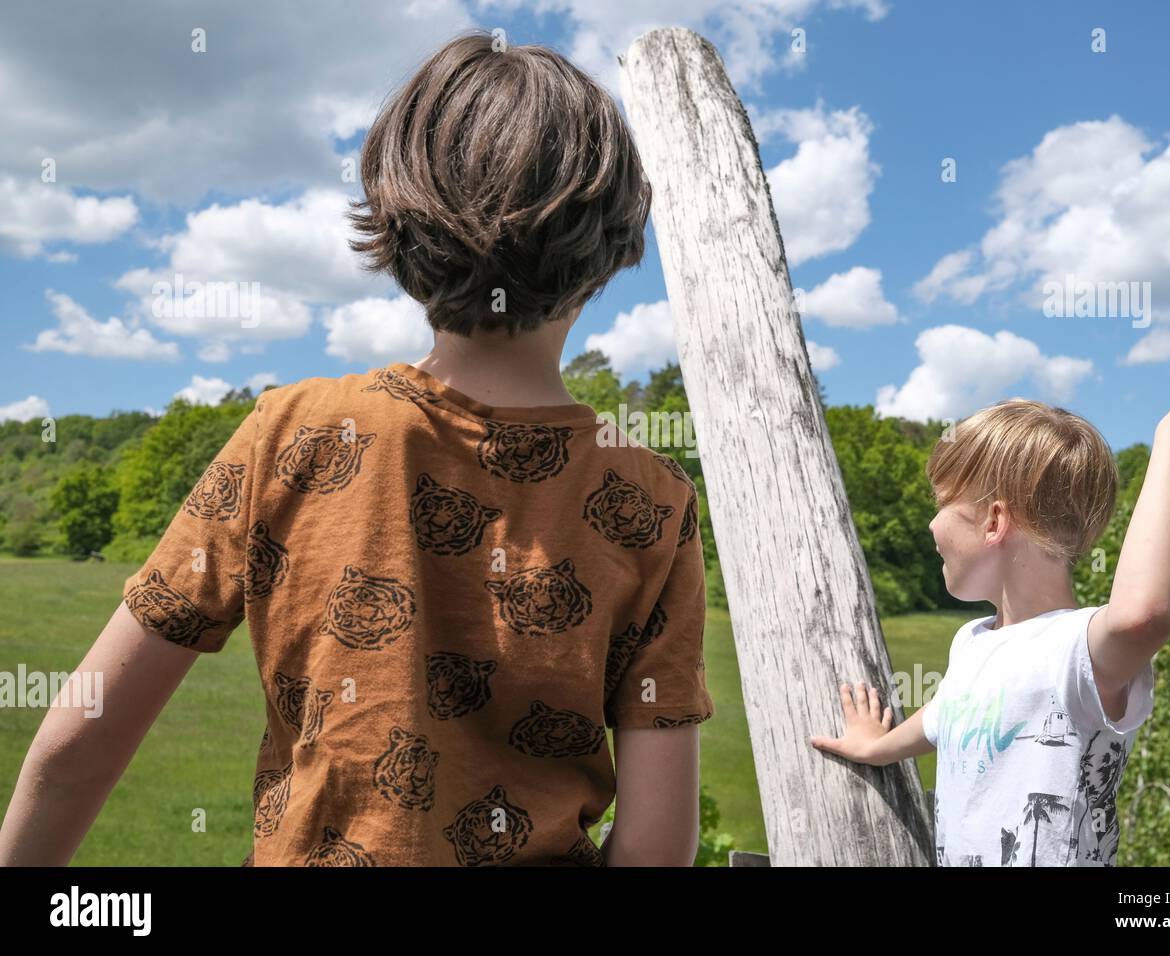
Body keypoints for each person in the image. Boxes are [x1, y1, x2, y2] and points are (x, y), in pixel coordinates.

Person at [0, 30, 712, 867]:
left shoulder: (293, 433)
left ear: (399, 219)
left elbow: (75, 747)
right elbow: (657, 847)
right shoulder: (653, 499)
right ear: (613, 243)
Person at [810, 385, 1170, 865]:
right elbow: (948, 716)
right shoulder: (972, 643)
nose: (930, 524)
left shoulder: (1075, 651)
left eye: (941, 503)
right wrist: (878, 746)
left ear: (993, 522)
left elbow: (1143, 616)